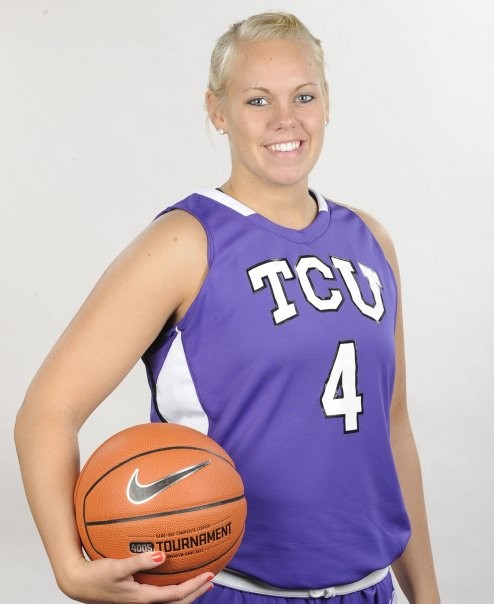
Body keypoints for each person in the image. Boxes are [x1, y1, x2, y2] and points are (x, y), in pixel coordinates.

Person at [15, 11, 441, 604]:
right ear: (217, 111)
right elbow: (47, 410)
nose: (285, 119)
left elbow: (392, 428)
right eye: (257, 100)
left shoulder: (371, 241)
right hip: (231, 587)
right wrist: (68, 566)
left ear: (326, 103)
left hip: (369, 588)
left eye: (304, 96)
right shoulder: (184, 243)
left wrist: (426, 593)